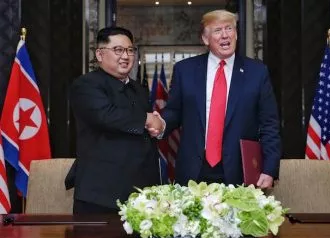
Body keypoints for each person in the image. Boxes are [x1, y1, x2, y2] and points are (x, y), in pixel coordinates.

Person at [153, 10, 281, 188]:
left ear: (236, 34)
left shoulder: (257, 72)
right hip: (194, 169)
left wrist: (269, 169)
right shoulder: (185, 70)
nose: (225, 35)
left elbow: (269, 124)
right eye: (217, 30)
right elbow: (175, 111)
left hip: (240, 170)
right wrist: (161, 124)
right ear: (205, 39)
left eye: (229, 28)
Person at [69, 26, 163, 214]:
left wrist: (157, 127)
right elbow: (106, 116)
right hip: (101, 194)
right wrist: (146, 119)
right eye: (118, 50)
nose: (126, 56)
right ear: (100, 54)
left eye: (130, 50)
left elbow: (145, 130)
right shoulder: (87, 84)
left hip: (141, 193)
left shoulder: (139, 89)